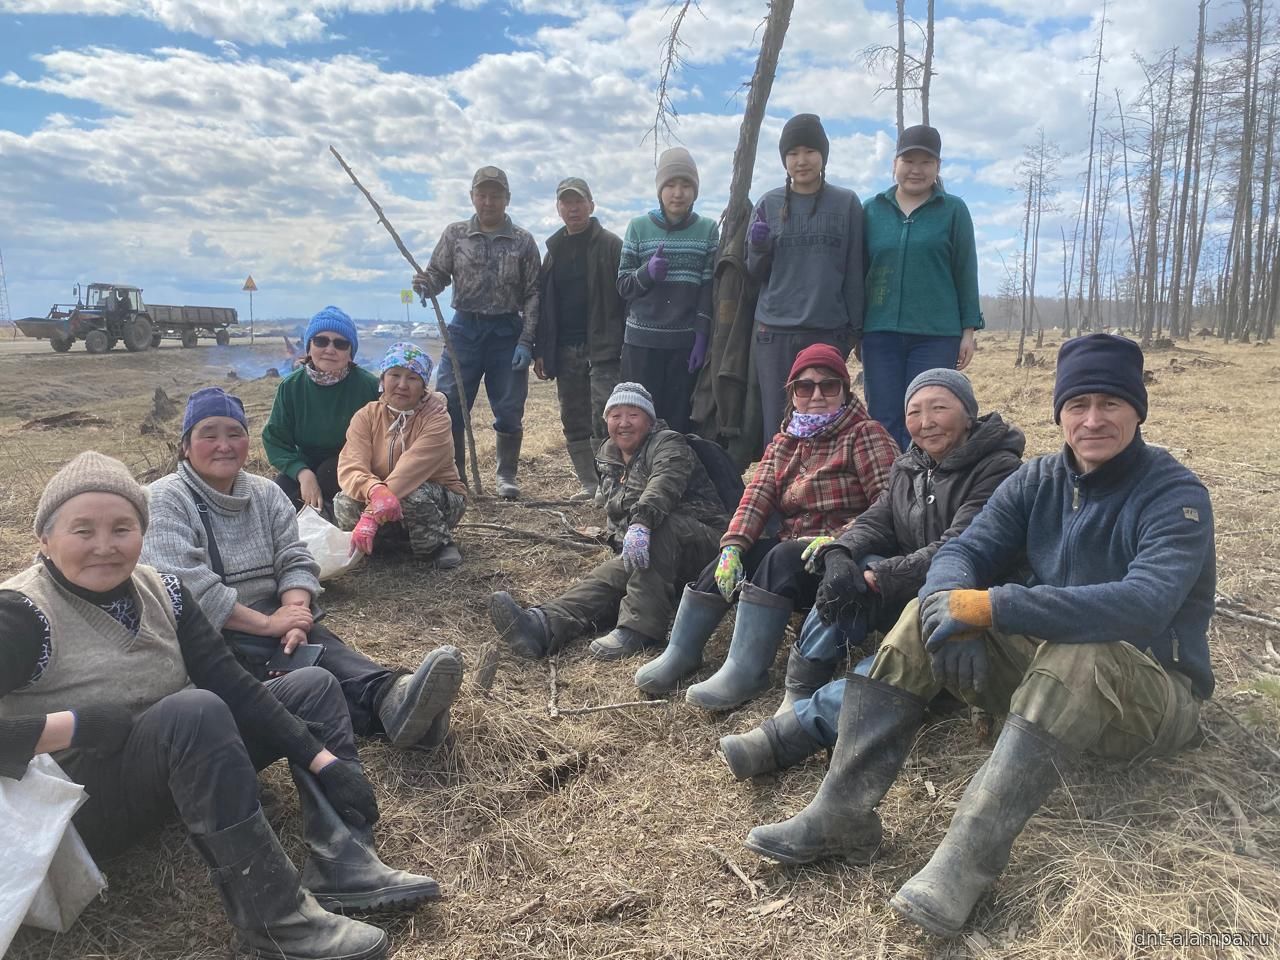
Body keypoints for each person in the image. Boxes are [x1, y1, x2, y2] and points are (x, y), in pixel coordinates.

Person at [744, 335, 1215, 942]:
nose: (1093, 420)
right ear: (1060, 413)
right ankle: (841, 811)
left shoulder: (1174, 495)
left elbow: (1143, 605)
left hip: (1152, 697)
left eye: (1110, 404)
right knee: (921, 614)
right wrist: (954, 613)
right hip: (1050, 682)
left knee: (1082, 649)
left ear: (1137, 410)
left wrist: (995, 607)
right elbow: (963, 551)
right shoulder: (1039, 479)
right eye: (1078, 405)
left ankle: (965, 861)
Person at [2, 452, 446, 960]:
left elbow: (232, 684)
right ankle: (277, 922)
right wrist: (72, 726)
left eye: (122, 528)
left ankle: (344, 857)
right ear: (45, 538)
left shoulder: (164, 591)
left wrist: (324, 761)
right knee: (194, 710)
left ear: (142, 533)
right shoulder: (23, 614)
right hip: (79, 806)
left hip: (177, 765)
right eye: (83, 530)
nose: (105, 546)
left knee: (312, 686)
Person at [717, 369, 1024, 779]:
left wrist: (882, 576)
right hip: (912, 585)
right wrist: (840, 553)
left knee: (898, 650)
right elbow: (878, 519)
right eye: (914, 411)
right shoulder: (911, 464)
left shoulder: (1000, 470)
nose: (926, 422)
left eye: (939, 408)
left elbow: (961, 546)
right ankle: (800, 686)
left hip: (967, 602)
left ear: (968, 413)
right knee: (846, 576)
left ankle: (789, 736)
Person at [144, 388, 464, 752]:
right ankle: (397, 709)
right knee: (282, 680)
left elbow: (295, 558)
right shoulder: (165, 499)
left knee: (318, 650)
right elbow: (187, 588)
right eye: (209, 435)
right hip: (208, 632)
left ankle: (395, 702)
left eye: (234, 433)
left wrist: (294, 615)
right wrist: (267, 624)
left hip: (276, 615)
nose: (224, 445)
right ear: (185, 446)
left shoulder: (265, 493)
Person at [636, 343, 898, 709]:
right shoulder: (784, 441)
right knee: (741, 555)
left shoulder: (865, 434)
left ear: (844, 390)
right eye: (805, 386)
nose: (817, 395)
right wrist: (733, 546)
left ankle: (746, 671)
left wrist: (839, 539)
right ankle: (682, 650)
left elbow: (888, 504)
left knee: (781, 555)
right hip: (794, 553)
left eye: (828, 385)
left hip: (843, 555)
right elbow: (755, 498)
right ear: (793, 394)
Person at [486, 382, 728, 660]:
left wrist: (641, 524)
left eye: (633, 415)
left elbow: (663, 485)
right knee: (608, 578)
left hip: (708, 547)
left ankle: (640, 629)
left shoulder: (668, 444)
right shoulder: (608, 456)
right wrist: (623, 541)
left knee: (658, 527)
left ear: (649, 420)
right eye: (616, 415)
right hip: (653, 550)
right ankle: (543, 626)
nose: (624, 423)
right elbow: (616, 513)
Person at [412, 165, 542, 499]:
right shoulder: (455, 235)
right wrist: (426, 284)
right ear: (472, 196)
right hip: (464, 331)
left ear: (507, 198)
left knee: (510, 408)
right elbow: (438, 274)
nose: (488, 201)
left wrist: (526, 340)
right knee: (449, 404)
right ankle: (455, 476)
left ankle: (506, 475)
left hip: (507, 333)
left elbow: (533, 293)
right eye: (482, 194)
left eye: (495, 195)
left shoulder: (523, 241)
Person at [861, 125, 983, 450]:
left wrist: (968, 330)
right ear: (894, 164)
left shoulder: (953, 210)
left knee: (929, 418)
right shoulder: (872, 210)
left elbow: (965, 270)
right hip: (880, 334)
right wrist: (856, 329)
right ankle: (889, 479)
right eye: (908, 160)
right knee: (884, 418)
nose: (916, 169)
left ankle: (928, 480)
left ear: (938, 167)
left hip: (936, 335)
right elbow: (858, 272)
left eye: (926, 162)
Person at [747, 114, 865, 444]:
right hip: (774, 332)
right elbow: (754, 272)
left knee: (826, 418)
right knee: (778, 424)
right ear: (784, 159)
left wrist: (856, 332)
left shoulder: (846, 203)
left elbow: (855, 270)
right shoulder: (768, 204)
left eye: (810, 151)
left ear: (823, 155)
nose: (802, 160)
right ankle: (779, 477)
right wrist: (757, 246)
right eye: (793, 153)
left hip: (827, 330)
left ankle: (825, 476)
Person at [335, 343, 467, 569]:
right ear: (382, 379)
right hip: (382, 497)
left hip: (437, 497)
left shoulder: (436, 418)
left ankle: (437, 545)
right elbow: (351, 465)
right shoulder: (366, 416)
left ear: (424, 386)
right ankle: (383, 545)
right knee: (344, 499)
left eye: (413, 378)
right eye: (395, 375)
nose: (402, 385)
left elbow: (411, 470)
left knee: (412, 494)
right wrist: (374, 490)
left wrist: (371, 513)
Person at [535, 176, 626, 503]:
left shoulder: (611, 245)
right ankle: (589, 483)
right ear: (558, 208)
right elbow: (544, 304)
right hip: (564, 349)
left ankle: (610, 483)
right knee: (573, 418)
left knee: (606, 416)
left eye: (579, 201)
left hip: (603, 348)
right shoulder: (553, 251)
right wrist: (542, 350)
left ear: (591, 205)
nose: (573, 208)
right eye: (566, 202)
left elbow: (626, 297)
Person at [616, 147, 718, 432]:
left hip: (683, 346)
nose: (678, 193)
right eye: (671, 185)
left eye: (686, 185)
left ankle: (675, 463)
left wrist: (701, 336)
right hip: (641, 345)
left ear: (695, 191)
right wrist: (646, 274)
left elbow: (708, 289)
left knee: (677, 426)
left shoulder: (708, 230)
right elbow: (623, 285)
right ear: (660, 190)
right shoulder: (638, 227)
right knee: (639, 423)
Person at [263, 306, 380, 512]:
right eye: (321, 341)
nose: (330, 349)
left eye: (340, 343)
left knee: (328, 474)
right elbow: (275, 438)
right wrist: (302, 472)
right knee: (281, 492)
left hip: (355, 465)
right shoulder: (291, 387)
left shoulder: (369, 386)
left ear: (351, 353)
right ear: (309, 347)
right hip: (307, 463)